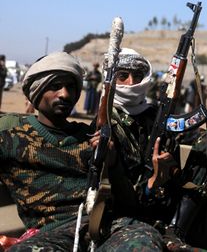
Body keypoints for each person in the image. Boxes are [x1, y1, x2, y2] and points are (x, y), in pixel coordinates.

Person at [90, 48, 207, 250]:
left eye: (137, 76)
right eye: (122, 76)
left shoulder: (155, 114)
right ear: (111, 79)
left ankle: (175, 232)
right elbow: (114, 194)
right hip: (127, 220)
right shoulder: (104, 126)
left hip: (167, 209)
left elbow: (204, 137)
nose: (131, 83)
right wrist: (154, 182)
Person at [0, 52, 163, 251]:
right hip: (51, 237)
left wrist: (112, 164)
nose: (65, 94)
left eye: (70, 87)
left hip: (106, 228)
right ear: (36, 90)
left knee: (145, 241)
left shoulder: (90, 136)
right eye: (55, 86)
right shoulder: (10, 134)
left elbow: (129, 204)